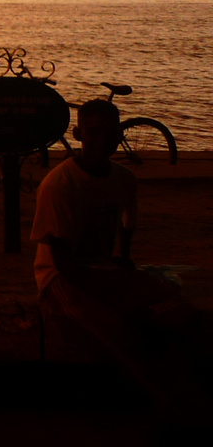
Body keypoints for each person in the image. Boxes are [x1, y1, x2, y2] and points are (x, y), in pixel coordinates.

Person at [32, 99, 211, 427]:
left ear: (119, 135)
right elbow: (63, 262)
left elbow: (127, 223)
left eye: (110, 133)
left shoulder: (124, 178)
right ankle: (180, 412)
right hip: (62, 278)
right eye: (93, 133)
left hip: (105, 270)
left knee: (186, 317)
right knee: (119, 334)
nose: (101, 141)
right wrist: (114, 294)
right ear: (78, 134)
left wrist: (123, 263)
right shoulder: (59, 185)